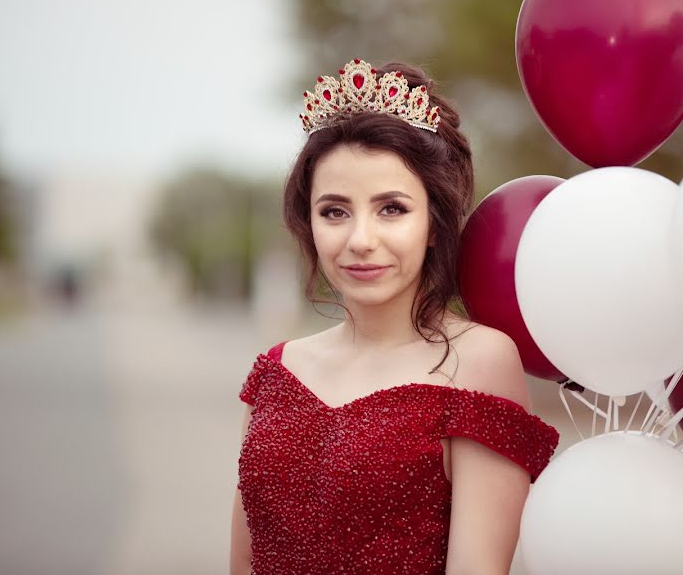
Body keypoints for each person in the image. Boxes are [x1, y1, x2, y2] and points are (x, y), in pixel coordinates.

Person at [230, 58, 559, 575]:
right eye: (334, 211)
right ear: (309, 223)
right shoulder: (276, 372)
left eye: (392, 209)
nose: (361, 241)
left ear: (434, 223)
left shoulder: (479, 362)